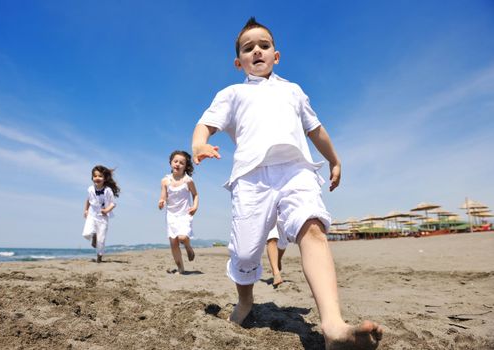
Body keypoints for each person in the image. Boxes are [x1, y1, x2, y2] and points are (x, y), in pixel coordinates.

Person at [192, 17, 383, 349]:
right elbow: (205, 124)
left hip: (296, 169)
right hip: (251, 179)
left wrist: (335, 160)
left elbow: (316, 130)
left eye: (264, 45)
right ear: (239, 62)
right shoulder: (233, 93)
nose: (257, 51)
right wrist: (199, 144)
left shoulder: (293, 91)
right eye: (248, 48)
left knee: (313, 228)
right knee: (246, 252)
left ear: (276, 55)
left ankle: (334, 326)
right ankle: (246, 301)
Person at [158, 150, 199, 274]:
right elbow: (163, 196)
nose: (178, 164)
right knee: (174, 243)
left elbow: (195, 194)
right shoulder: (165, 181)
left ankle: (188, 247)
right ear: (171, 163)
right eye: (175, 161)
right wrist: (161, 202)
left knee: (182, 237)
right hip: (171, 215)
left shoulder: (188, 180)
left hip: (184, 214)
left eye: (181, 163)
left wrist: (195, 207)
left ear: (185, 166)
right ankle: (181, 268)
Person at [82, 165, 120, 263]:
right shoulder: (90, 189)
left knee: (101, 238)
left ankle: (99, 256)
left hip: (103, 217)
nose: (97, 178)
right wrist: (86, 210)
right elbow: (88, 200)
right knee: (87, 232)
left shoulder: (108, 190)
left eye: (100, 176)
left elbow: (113, 203)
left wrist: (107, 210)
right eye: (95, 176)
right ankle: (93, 236)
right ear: (92, 178)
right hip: (92, 214)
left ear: (104, 178)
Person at [266, 222, 288, 287]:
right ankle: (276, 273)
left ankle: (278, 259)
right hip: (268, 213)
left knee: (282, 243)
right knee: (272, 238)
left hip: (281, 213)